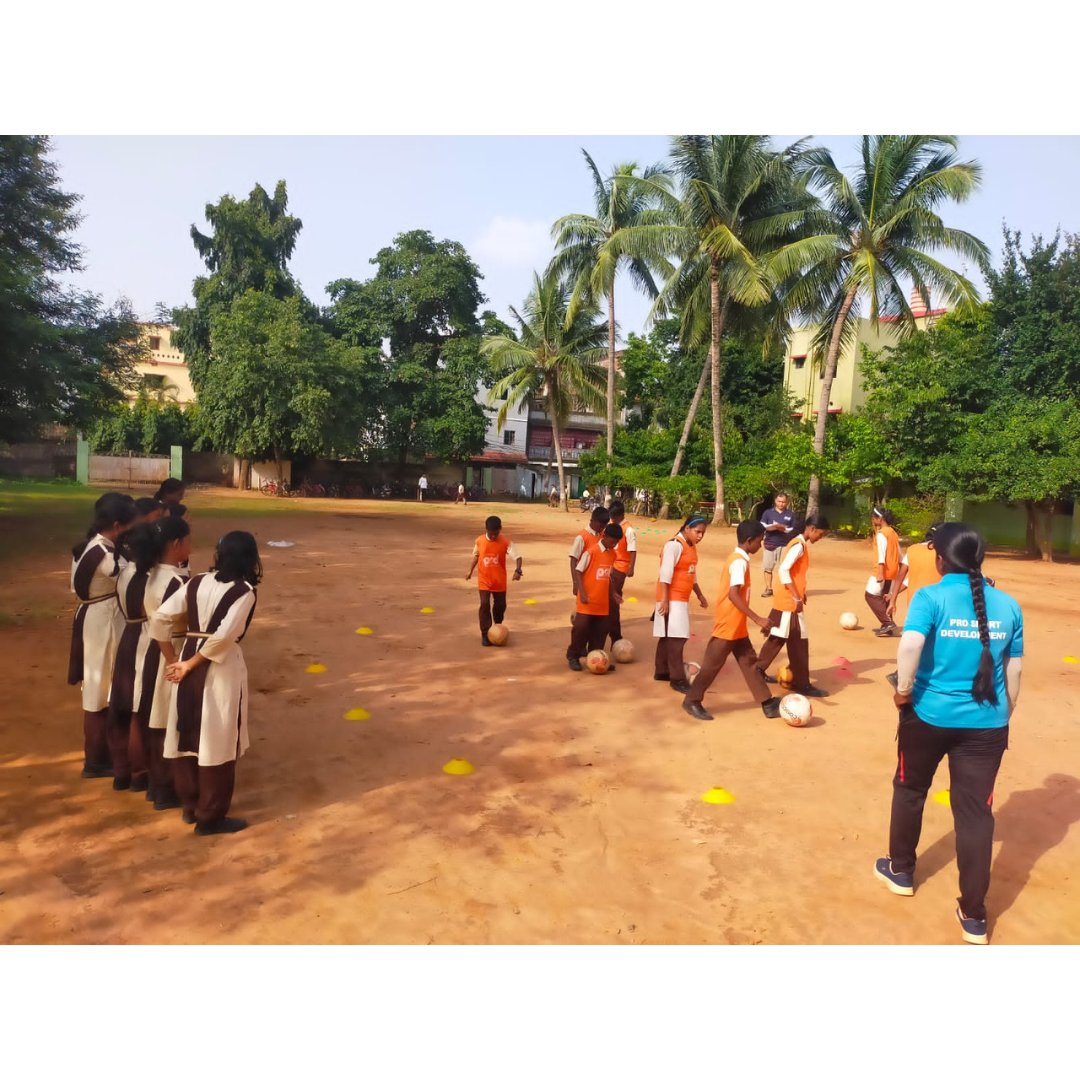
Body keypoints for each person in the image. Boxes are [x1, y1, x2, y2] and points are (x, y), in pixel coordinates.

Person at [874, 523, 1023, 945]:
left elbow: (909, 646)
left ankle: (901, 870)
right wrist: (1004, 712)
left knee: (910, 789)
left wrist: (903, 692)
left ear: (940, 559)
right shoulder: (1008, 605)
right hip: (987, 726)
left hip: (929, 716)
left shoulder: (930, 597)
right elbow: (1014, 671)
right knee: (976, 816)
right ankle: (974, 916)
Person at [150, 531, 261, 835]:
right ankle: (211, 816)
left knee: (187, 732)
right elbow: (224, 637)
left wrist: (175, 659)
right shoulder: (244, 592)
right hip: (217, 668)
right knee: (217, 738)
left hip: (188, 656)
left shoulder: (197, 581)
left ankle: (190, 805)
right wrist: (188, 664)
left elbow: (160, 618)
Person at [683, 521, 783, 721]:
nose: (761, 545)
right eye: (760, 541)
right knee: (712, 665)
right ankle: (692, 700)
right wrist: (758, 619)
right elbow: (733, 595)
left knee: (749, 663)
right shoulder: (738, 562)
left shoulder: (740, 559)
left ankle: (767, 702)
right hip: (728, 623)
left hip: (737, 624)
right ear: (749, 541)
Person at [68, 492, 137, 780]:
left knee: (99, 689)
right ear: (118, 525)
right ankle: (96, 759)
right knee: (101, 693)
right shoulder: (105, 555)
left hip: (95, 616)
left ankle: (102, 756)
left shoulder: (89, 546)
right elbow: (131, 578)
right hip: (104, 621)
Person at [139, 515, 191, 812]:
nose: (190, 546)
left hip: (154, 649)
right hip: (171, 650)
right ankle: (167, 787)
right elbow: (163, 622)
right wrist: (174, 661)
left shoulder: (153, 573)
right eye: (188, 540)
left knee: (157, 718)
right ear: (176, 544)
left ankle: (158, 786)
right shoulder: (176, 581)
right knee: (170, 721)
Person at [107, 523, 161, 792]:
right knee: (140, 710)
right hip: (147, 639)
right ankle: (141, 773)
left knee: (123, 704)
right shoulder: (152, 576)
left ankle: (122, 771)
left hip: (128, 634)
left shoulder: (125, 571)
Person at [754, 515, 830, 698]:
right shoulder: (798, 545)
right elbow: (783, 570)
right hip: (789, 602)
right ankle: (802, 683)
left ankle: (756, 670)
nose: (820, 537)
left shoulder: (797, 544)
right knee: (799, 643)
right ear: (811, 529)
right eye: (820, 533)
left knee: (777, 638)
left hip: (785, 600)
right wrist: (796, 597)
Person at [653, 515, 709, 694]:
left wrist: (699, 594)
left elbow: (692, 575)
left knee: (668, 636)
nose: (700, 536)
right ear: (687, 529)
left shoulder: (690, 548)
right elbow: (665, 574)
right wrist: (665, 600)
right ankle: (677, 678)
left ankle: (661, 671)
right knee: (677, 638)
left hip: (681, 599)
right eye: (697, 531)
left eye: (703, 533)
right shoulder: (674, 545)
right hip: (672, 598)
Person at [567, 524, 622, 671]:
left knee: (601, 629)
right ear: (605, 536)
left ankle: (597, 657)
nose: (614, 544)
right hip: (587, 600)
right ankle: (573, 655)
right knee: (581, 627)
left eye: (617, 542)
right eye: (612, 541)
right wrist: (582, 592)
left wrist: (614, 593)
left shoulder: (612, 554)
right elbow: (578, 571)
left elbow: (608, 576)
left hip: (602, 601)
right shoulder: (591, 552)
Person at [466, 515, 523, 646]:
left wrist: (518, 570)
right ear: (486, 529)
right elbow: (476, 556)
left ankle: (498, 626)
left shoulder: (505, 542)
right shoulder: (479, 541)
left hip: (499, 582)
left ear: (500, 529)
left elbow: (518, 556)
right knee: (484, 604)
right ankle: (485, 633)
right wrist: (470, 571)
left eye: (496, 534)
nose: (493, 537)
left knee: (500, 606)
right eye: (491, 534)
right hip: (484, 581)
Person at [866, 506, 902, 637]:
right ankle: (888, 625)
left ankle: (887, 622)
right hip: (892, 570)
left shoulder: (881, 534)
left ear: (880, 519)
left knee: (870, 595)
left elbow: (881, 554)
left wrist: (880, 571)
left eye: (873, 517)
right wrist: (902, 565)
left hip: (883, 570)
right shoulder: (892, 532)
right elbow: (899, 552)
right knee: (886, 597)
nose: (872, 519)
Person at [606, 500, 637, 648]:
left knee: (613, 600)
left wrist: (631, 567)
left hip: (620, 567)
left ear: (620, 515)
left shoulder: (628, 529)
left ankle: (615, 636)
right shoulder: (613, 526)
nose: (612, 519)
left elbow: (632, 549)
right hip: (610, 566)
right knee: (606, 598)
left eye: (614, 517)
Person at [759, 492, 795, 598]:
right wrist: (774, 527)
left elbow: (793, 529)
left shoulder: (790, 514)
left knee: (784, 568)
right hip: (770, 544)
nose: (781, 504)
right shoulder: (767, 513)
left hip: (784, 545)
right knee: (767, 568)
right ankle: (768, 588)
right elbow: (762, 525)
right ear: (775, 501)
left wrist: (783, 528)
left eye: (783, 502)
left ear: (787, 502)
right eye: (779, 501)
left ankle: (783, 590)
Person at [568, 507, 610, 593]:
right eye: (601, 525)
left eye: (604, 526)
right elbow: (573, 560)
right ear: (593, 520)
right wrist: (575, 582)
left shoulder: (603, 535)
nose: (602, 528)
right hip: (584, 581)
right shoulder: (582, 537)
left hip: (598, 581)